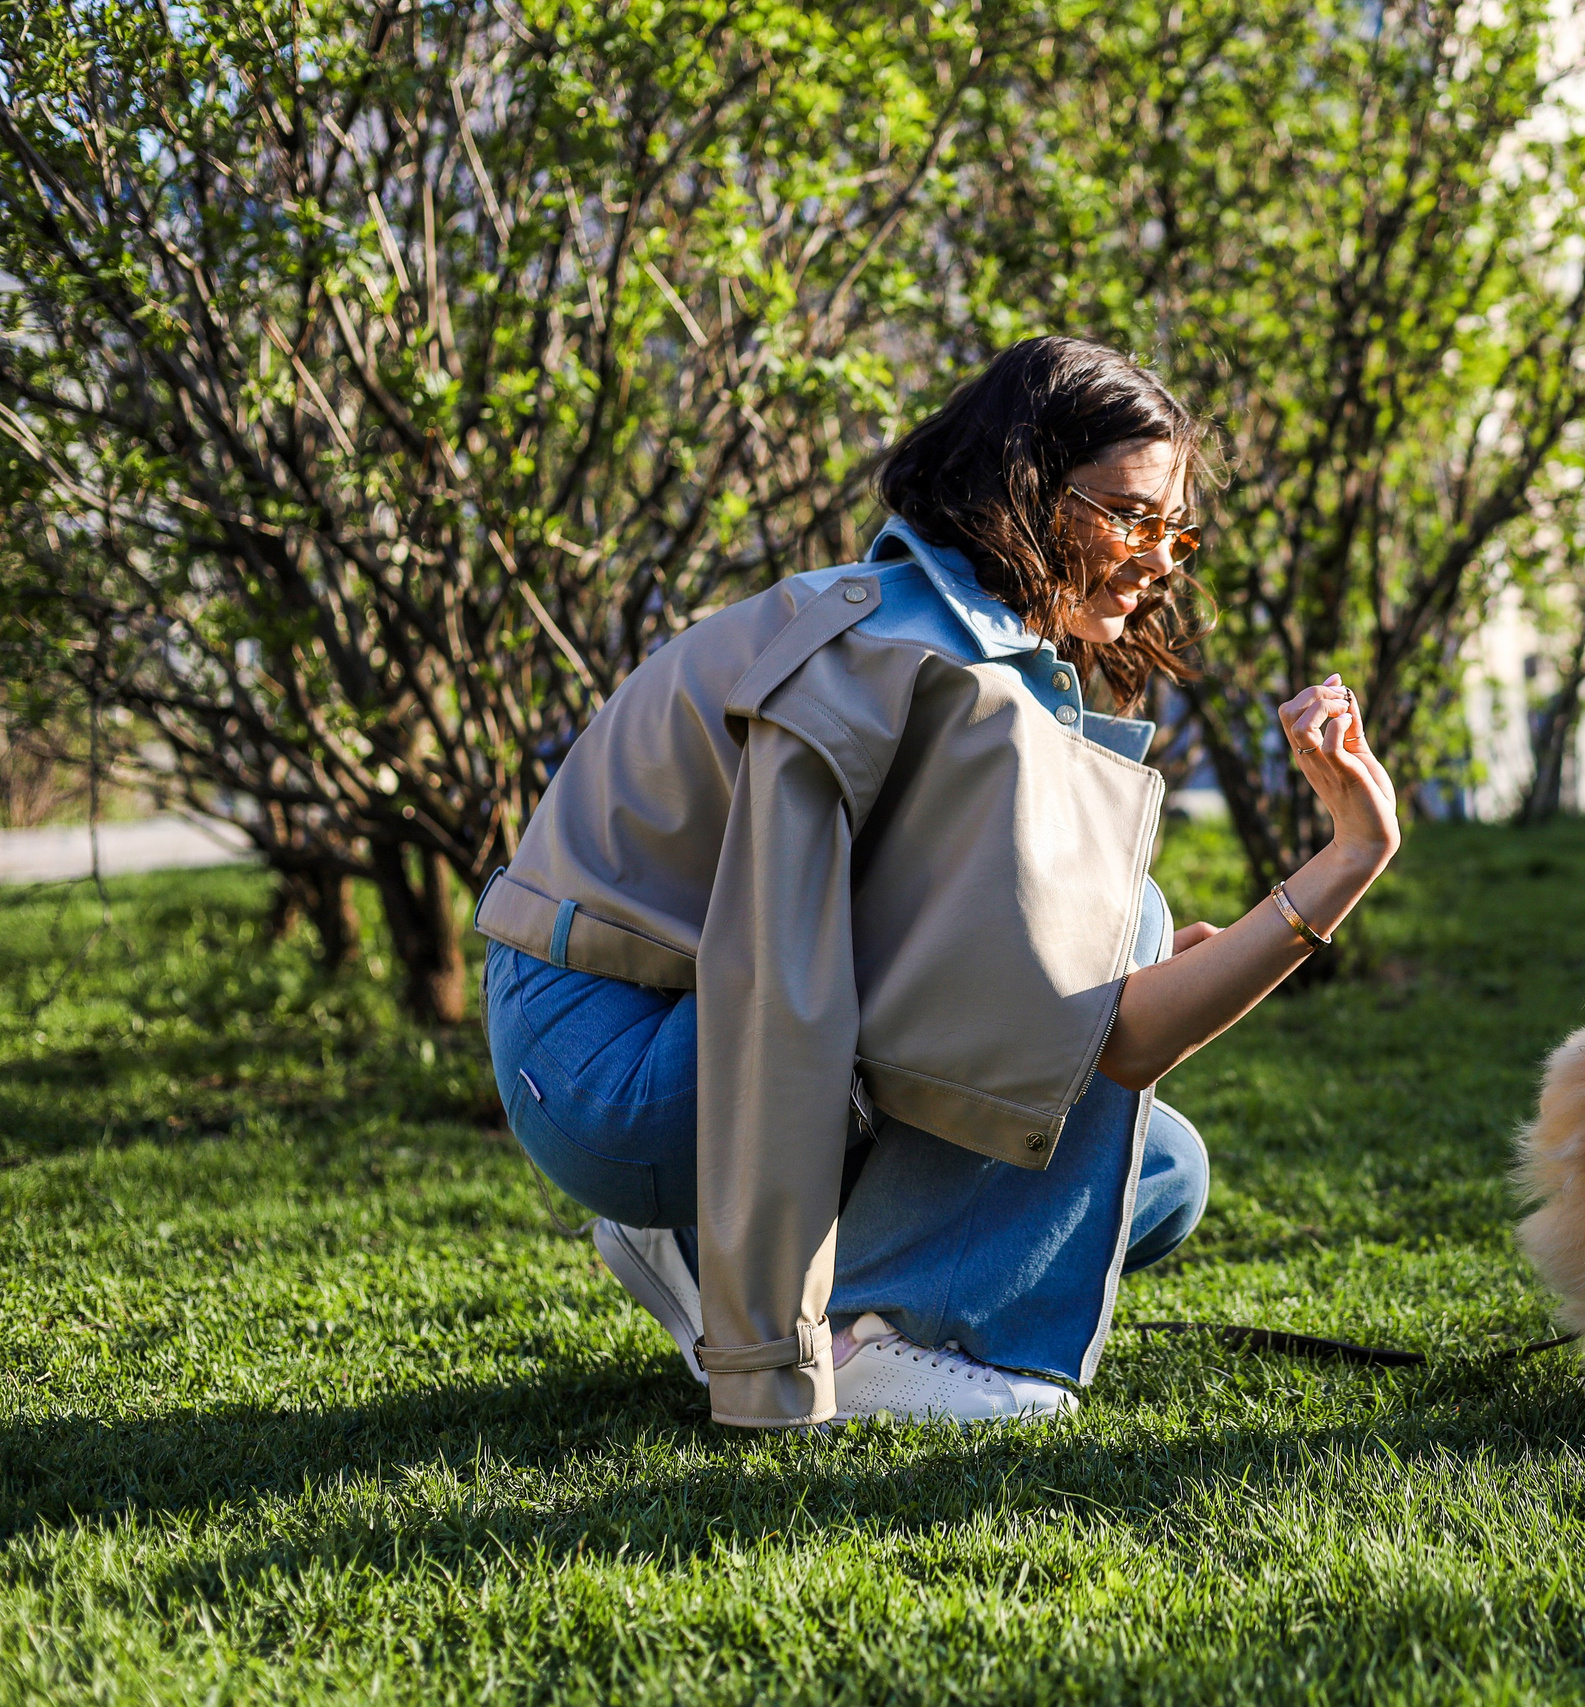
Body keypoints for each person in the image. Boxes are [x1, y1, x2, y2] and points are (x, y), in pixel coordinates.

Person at [475, 337, 1399, 1430]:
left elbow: (1081, 1024)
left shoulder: (969, 645)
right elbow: (792, 999)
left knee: (1162, 1172)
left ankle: (685, 1245)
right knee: (1117, 927)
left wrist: (1135, 955)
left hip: (668, 1033)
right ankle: (870, 1332)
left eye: (1174, 530)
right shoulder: (912, 660)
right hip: (608, 1059)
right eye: (1128, 516)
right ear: (1018, 488)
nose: (1160, 560)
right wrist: (767, 1359)